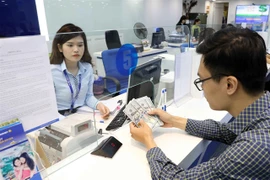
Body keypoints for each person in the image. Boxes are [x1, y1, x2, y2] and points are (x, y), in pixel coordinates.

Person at [130, 27, 270, 179]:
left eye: (202, 80)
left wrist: (148, 141)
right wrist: (173, 120)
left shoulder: (254, 147)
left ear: (229, 85)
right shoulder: (261, 110)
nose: (201, 87)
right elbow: (226, 132)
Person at [50, 23, 110, 118]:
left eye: (80, 45)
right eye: (70, 45)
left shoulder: (87, 68)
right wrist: (65, 121)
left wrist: (99, 105)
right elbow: (48, 109)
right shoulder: (51, 72)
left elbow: (88, 96)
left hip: (80, 113)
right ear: (60, 48)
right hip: (58, 117)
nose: (76, 49)